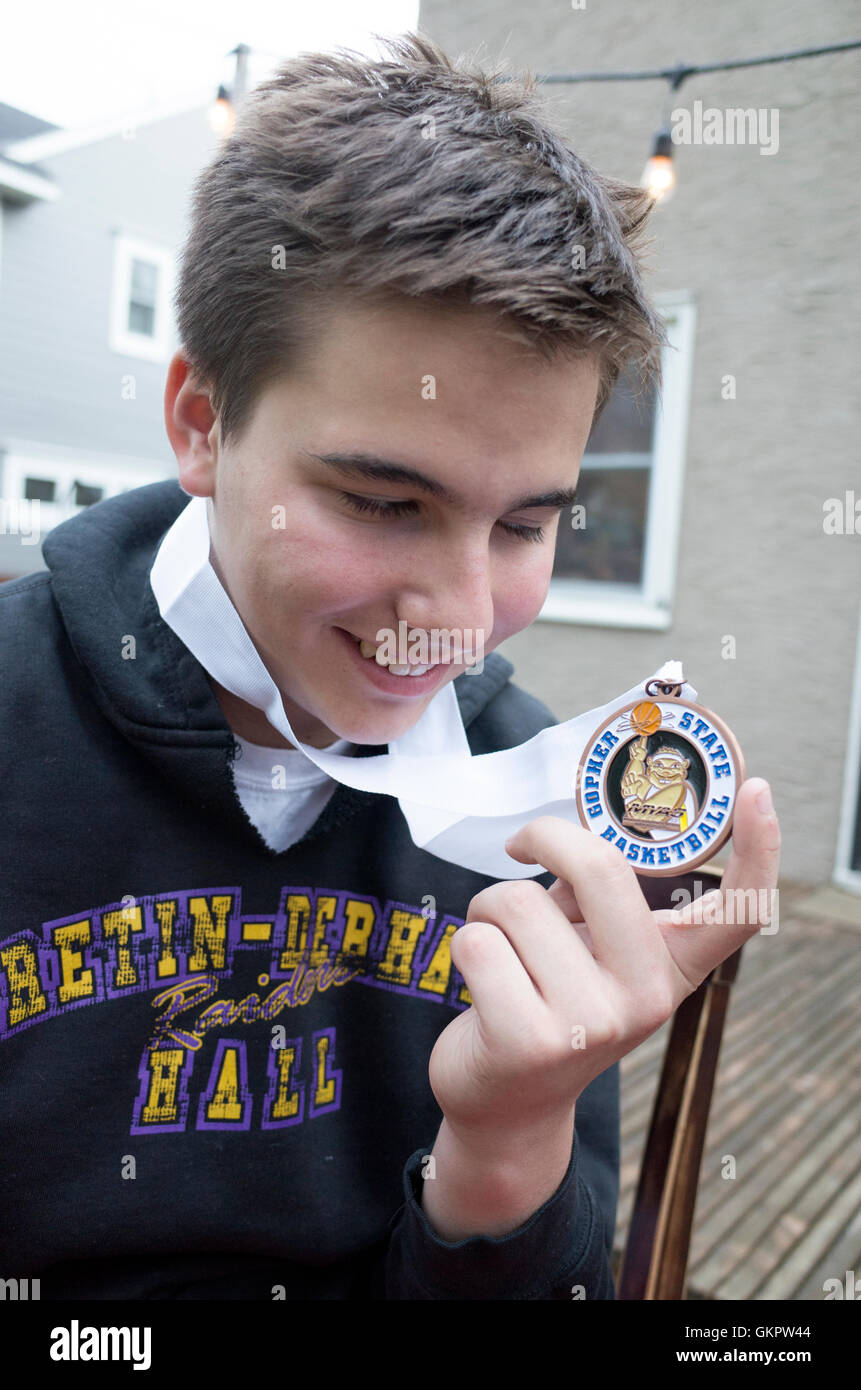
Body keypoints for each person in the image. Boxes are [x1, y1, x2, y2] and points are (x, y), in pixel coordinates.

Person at [0, 31, 780, 1301]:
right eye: (384, 500)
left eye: (527, 524)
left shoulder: (539, 813)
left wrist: (507, 1148)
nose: (466, 622)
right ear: (202, 421)